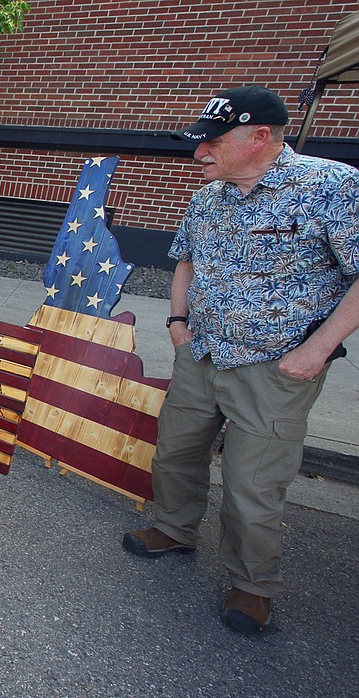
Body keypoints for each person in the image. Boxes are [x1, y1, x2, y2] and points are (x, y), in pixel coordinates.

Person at [122, 85, 359, 635]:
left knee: (253, 484)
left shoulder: (332, 186)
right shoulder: (209, 196)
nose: (199, 153)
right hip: (201, 354)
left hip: (276, 368)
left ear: (260, 138)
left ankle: (252, 584)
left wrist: (316, 351)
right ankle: (175, 529)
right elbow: (183, 261)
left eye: (213, 142)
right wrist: (178, 326)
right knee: (176, 452)